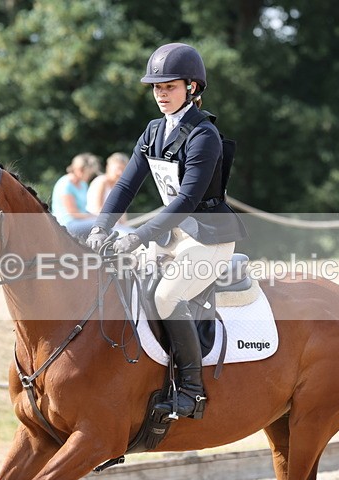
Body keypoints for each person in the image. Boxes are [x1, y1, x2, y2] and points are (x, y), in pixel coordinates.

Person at [86, 43, 247, 418]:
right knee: (120, 278)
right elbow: (125, 186)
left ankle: (192, 390)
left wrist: (136, 237)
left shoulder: (202, 135)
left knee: (166, 297)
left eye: (169, 87)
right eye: (157, 88)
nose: (161, 95)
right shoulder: (154, 131)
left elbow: (187, 200)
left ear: (192, 88)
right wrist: (100, 227)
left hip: (209, 235)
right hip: (173, 235)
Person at [51, 153, 101, 238]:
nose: (90, 176)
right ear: (80, 170)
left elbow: (83, 210)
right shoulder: (65, 184)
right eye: (89, 173)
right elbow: (74, 213)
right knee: (101, 226)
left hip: (79, 221)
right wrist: (96, 217)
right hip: (66, 224)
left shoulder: (83, 184)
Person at [86, 152, 129, 219]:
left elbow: (122, 214)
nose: (120, 173)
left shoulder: (119, 186)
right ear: (108, 167)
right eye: (117, 169)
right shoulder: (101, 182)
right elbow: (97, 209)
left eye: (123, 170)